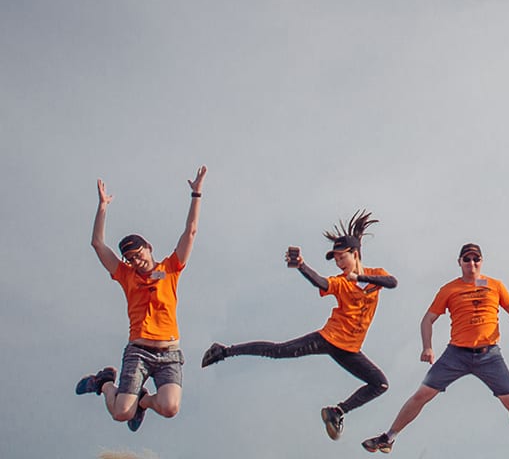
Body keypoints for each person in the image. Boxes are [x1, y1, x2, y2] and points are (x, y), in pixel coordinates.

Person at [200, 211, 396, 440]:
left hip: (350, 349)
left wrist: (360, 278)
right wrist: (302, 266)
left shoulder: (375, 276)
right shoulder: (340, 282)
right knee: (278, 351)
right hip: (329, 339)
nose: (339, 263)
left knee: (380, 384)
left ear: (355, 254)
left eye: (342, 257)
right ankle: (224, 351)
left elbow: (392, 282)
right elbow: (321, 282)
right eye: (336, 259)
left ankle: (337, 412)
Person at [360, 243, 509, 459]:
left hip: (489, 355)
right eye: (467, 259)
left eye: (476, 259)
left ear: (481, 261)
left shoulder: (495, 285)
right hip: (456, 354)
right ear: (459, 262)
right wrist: (427, 347)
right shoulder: (449, 289)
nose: (472, 264)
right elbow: (428, 319)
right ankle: (388, 437)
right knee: (422, 394)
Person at [75, 167, 206, 432]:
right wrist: (103, 207)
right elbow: (98, 244)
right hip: (139, 351)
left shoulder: (171, 268)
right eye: (130, 258)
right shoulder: (126, 275)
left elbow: (190, 231)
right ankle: (104, 383)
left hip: (169, 353)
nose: (136, 260)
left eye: (138, 253)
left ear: (149, 248)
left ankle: (143, 403)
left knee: (170, 408)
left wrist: (196, 193)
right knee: (121, 413)